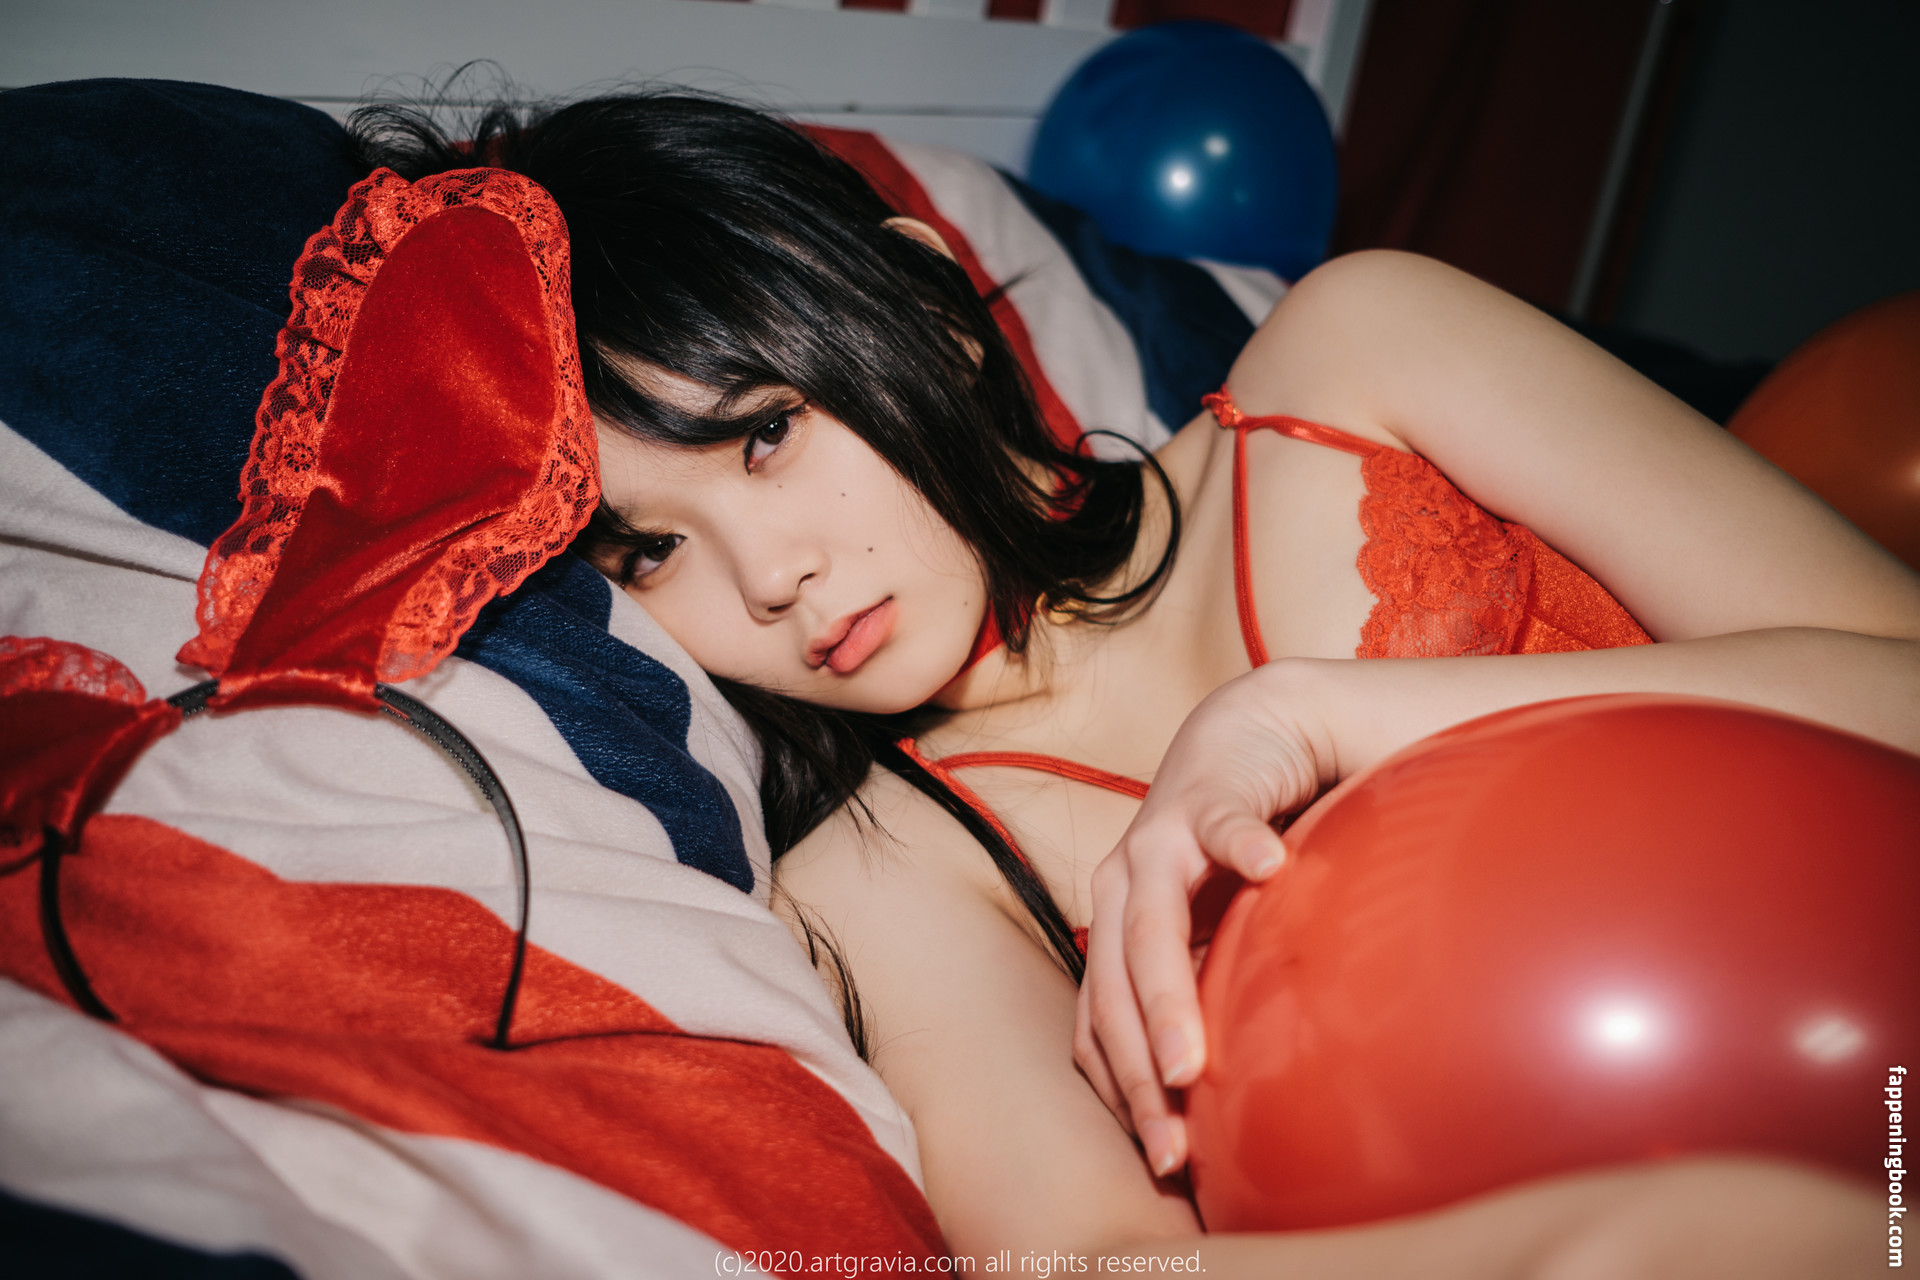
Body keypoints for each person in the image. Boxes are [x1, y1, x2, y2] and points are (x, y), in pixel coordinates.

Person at [354, 91, 1916, 1275]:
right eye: (649, 552)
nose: (769, 578)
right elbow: (1095, 1264)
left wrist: (1319, 719)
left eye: (766, 432)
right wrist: (1613, 1246)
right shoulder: (886, 876)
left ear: (929, 314)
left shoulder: (1360, 358)